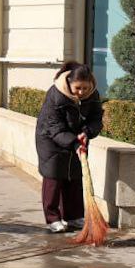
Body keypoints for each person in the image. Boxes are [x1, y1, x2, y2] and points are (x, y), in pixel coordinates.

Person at [34, 60, 103, 233]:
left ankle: (73, 217)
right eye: (78, 88)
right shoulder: (56, 94)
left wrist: (86, 132)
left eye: (85, 88)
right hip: (50, 139)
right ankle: (52, 218)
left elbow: (96, 118)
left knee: (74, 176)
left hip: (77, 138)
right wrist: (73, 142)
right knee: (54, 177)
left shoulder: (93, 94)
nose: (81, 92)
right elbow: (54, 126)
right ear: (69, 83)